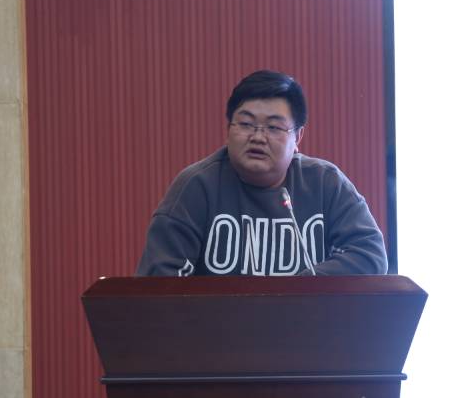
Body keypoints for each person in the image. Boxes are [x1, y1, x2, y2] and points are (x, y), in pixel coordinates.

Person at [135, 70, 388, 277]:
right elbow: (160, 282)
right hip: (217, 325)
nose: (258, 137)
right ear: (228, 129)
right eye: (246, 124)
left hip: (305, 323)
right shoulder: (195, 187)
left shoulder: (325, 184)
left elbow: (370, 255)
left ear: (298, 137)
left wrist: (299, 291)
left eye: (274, 127)